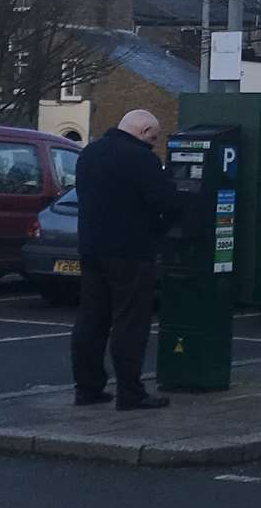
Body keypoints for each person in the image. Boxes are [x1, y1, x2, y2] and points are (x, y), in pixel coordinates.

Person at [70, 109, 179, 411]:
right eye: (153, 138)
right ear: (143, 131)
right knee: (130, 322)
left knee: (91, 319)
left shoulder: (89, 154)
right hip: (131, 251)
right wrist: (160, 229)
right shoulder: (141, 159)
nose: (154, 144)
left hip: (91, 248)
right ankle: (130, 393)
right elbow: (167, 202)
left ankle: (87, 388)